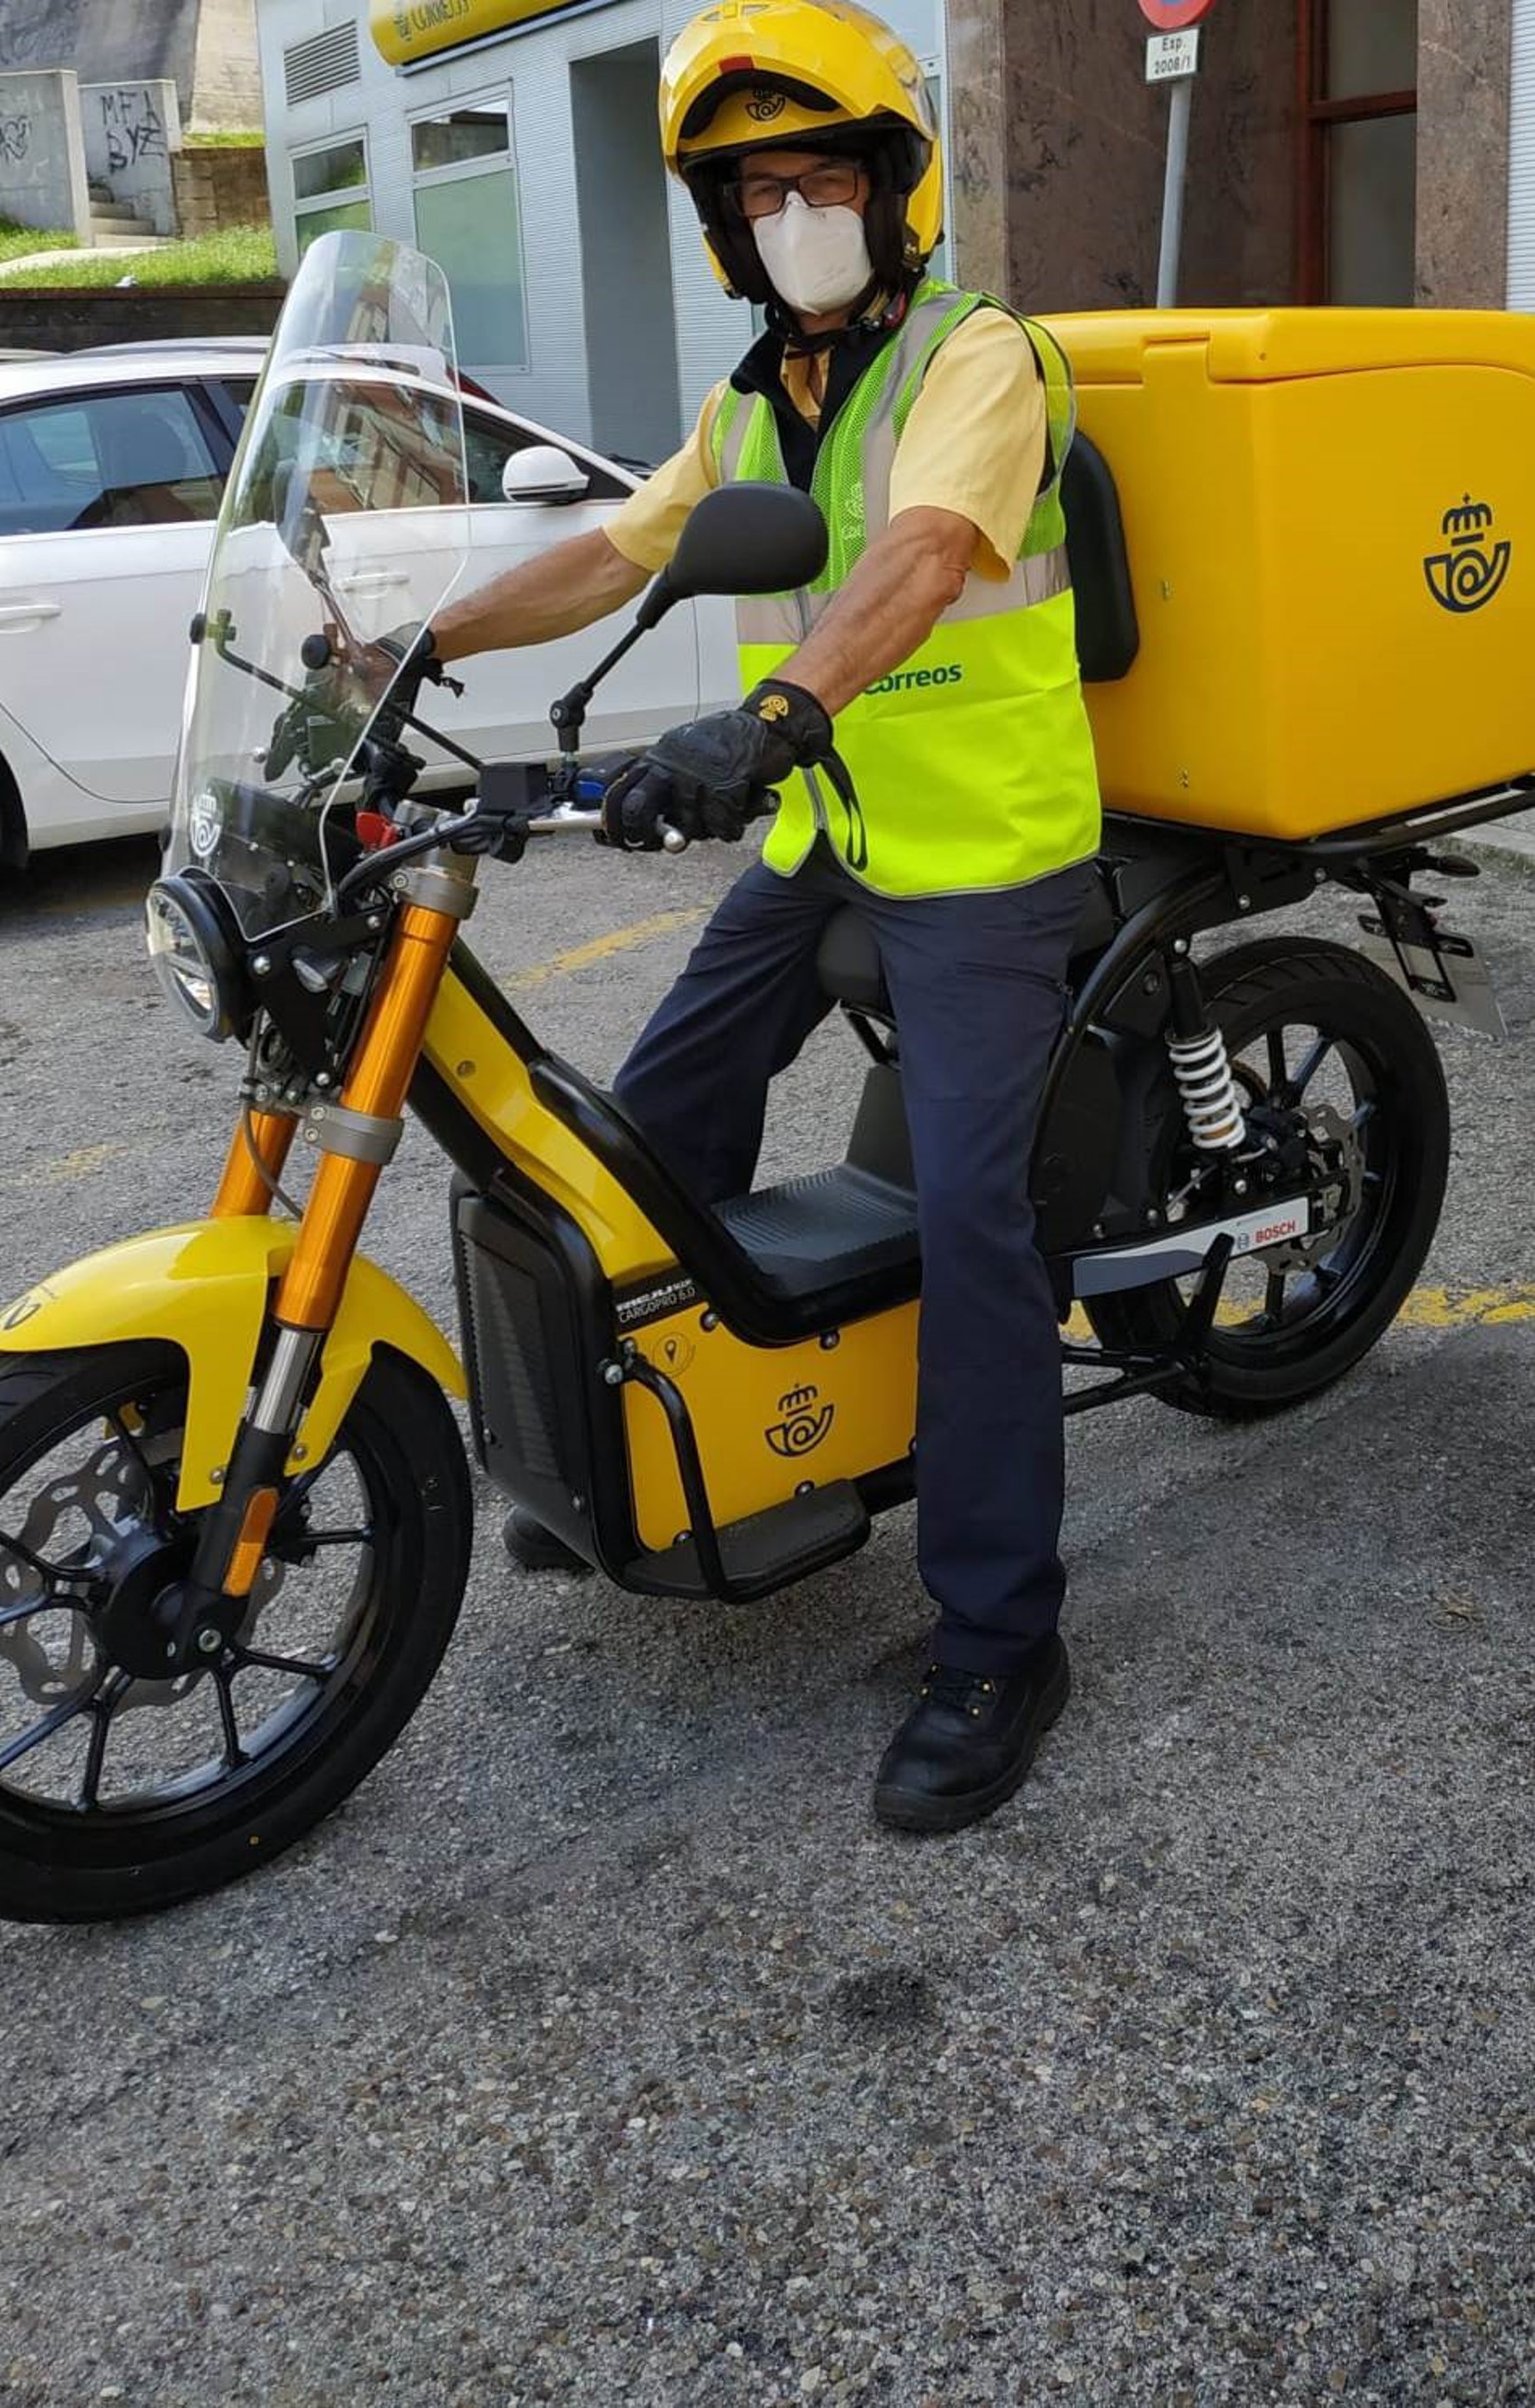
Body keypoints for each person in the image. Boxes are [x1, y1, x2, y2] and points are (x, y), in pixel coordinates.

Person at [428, 0, 1103, 1833]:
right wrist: (413, 645)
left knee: (972, 1224)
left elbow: (926, 553)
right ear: (723, 228)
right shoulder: (748, 403)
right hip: (827, 839)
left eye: (819, 181)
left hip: (982, 858)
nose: (789, 216)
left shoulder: (977, 357)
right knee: (636, 1138)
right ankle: (658, 1451)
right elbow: (613, 551)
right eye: (753, 193)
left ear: (892, 190)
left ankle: (1000, 1635)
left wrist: (773, 715)